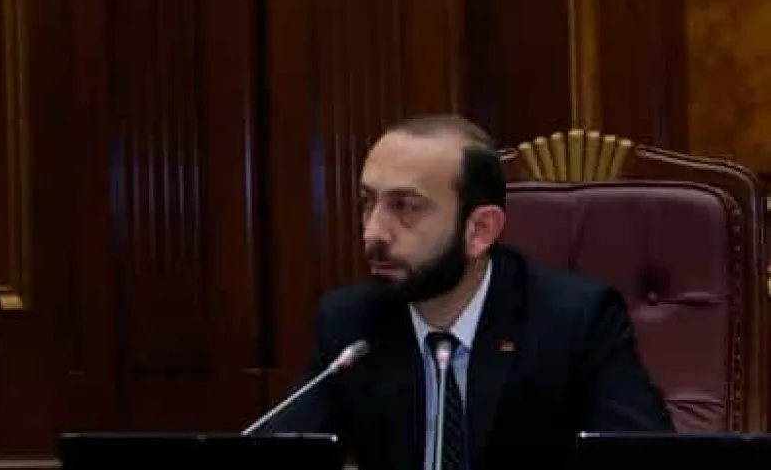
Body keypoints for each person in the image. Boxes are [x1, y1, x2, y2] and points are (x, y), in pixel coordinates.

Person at [261, 114, 674, 469]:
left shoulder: (574, 320)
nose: (374, 233)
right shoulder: (351, 323)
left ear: (480, 231)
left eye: (406, 207)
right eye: (369, 202)